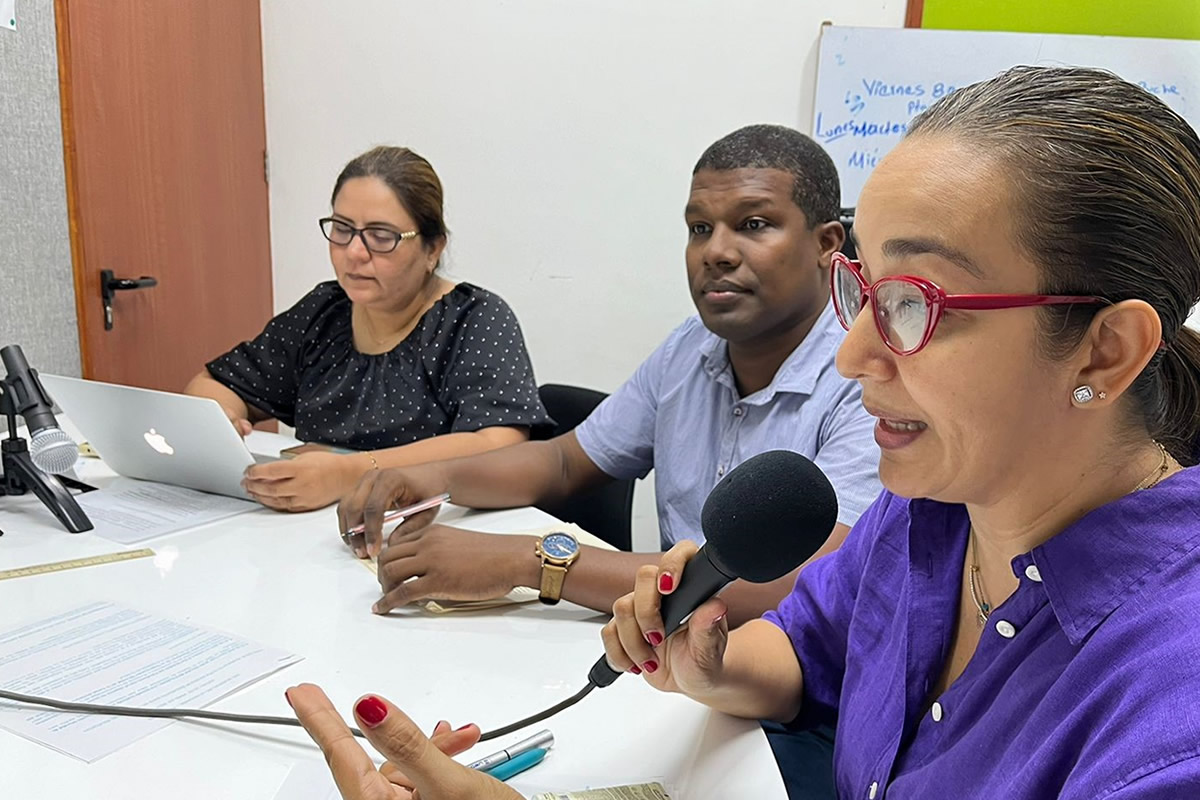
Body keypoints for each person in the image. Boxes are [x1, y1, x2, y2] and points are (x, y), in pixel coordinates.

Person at [596, 66, 1200, 799]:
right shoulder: (931, 511)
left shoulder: (1171, 712)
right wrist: (713, 669)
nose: (853, 356)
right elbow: (805, 648)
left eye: (914, 304)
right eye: (860, 288)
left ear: (1106, 350)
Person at [339, 125, 882, 628]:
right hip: (665, 648)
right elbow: (564, 460)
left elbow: (801, 584)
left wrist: (537, 563)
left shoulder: (870, 377)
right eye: (699, 228)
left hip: (788, 687)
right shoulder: (688, 348)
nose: (715, 252)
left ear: (827, 245)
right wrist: (435, 479)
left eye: (753, 224)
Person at [186, 146, 551, 512]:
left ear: (432, 249)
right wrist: (221, 420)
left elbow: (501, 444)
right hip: (309, 533)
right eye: (342, 229)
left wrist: (352, 472)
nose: (355, 253)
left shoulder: (472, 319)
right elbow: (214, 384)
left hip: (428, 535)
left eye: (381, 236)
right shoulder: (325, 312)